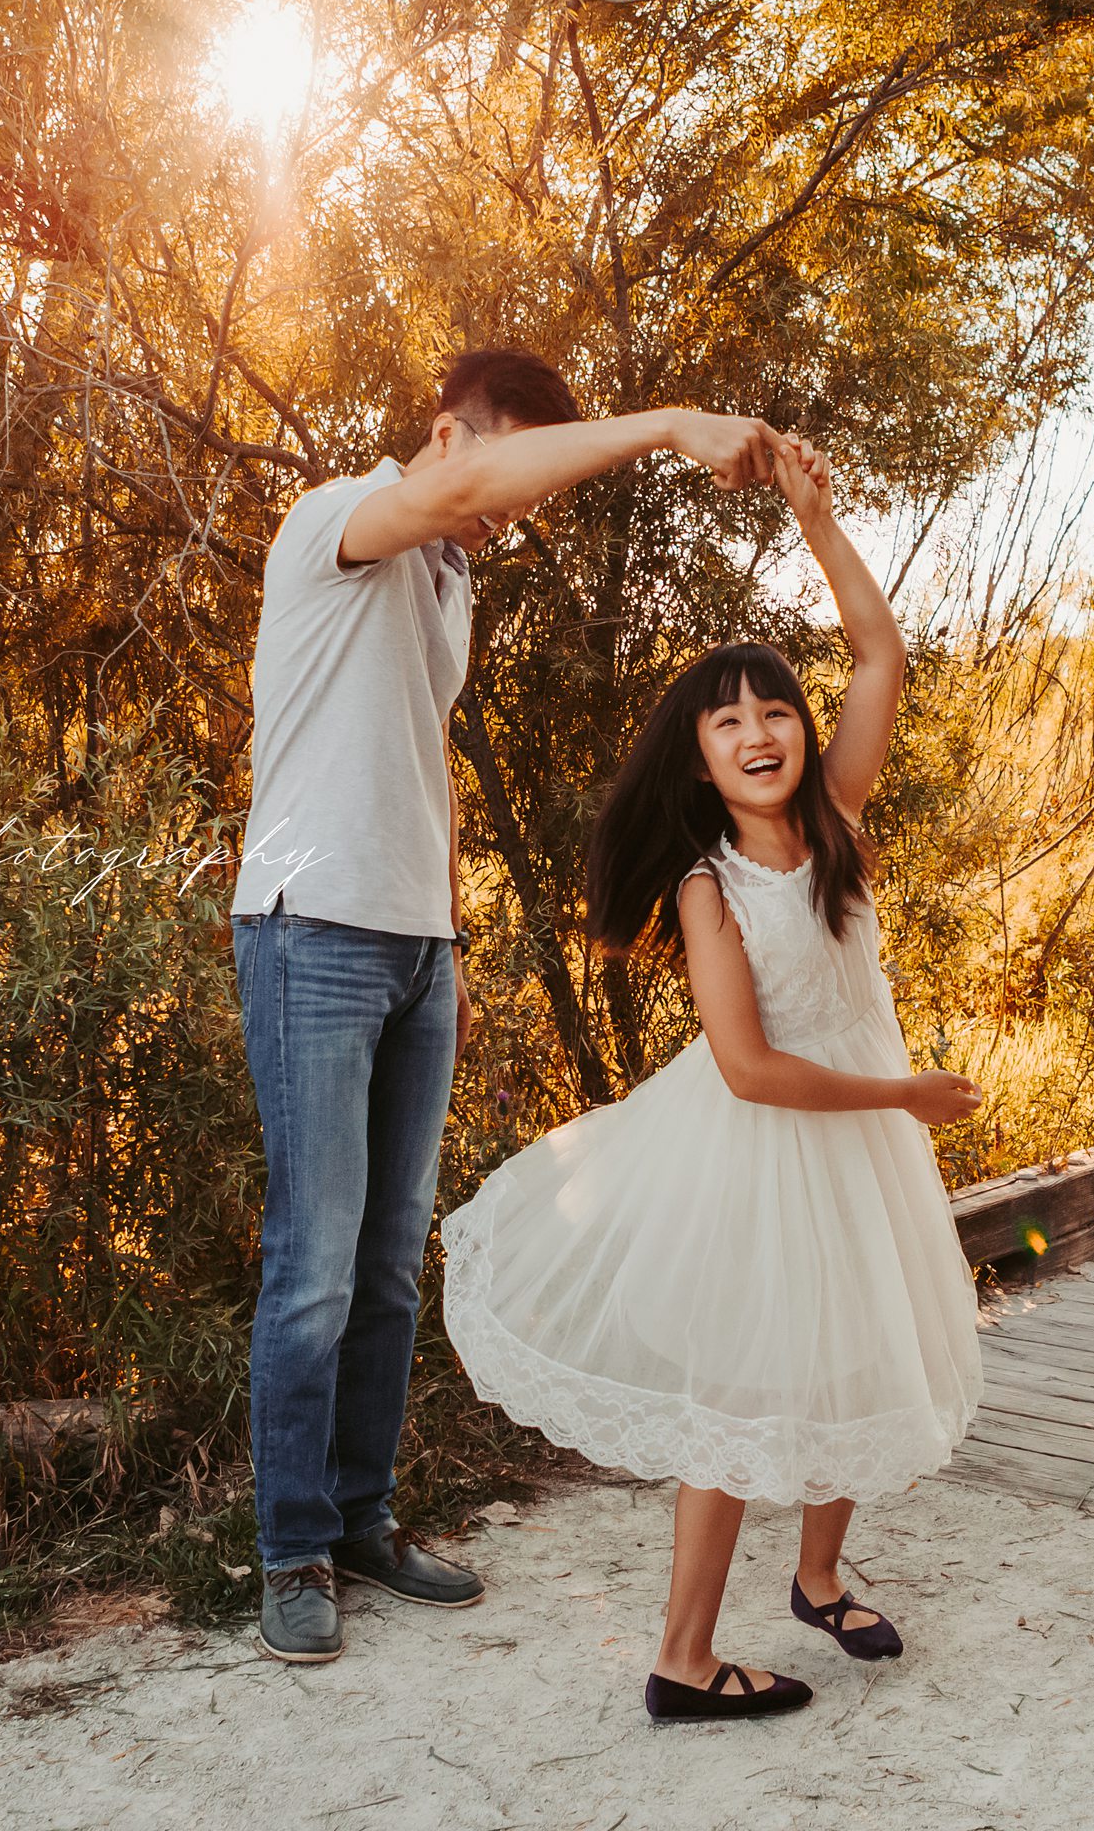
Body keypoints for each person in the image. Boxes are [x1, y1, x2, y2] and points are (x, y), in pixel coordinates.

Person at [231, 348, 788, 1666]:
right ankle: (290, 1549)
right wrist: (664, 426)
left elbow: (408, 760)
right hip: (309, 936)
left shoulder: (448, 576)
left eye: (516, 513)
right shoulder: (341, 518)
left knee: (384, 1264)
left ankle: (362, 1519)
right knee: (312, 1266)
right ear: (443, 436)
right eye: (497, 486)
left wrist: (448, 945)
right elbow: (470, 482)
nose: (504, 520)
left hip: (416, 949)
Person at [439, 433, 985, 1723]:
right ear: (698, 759)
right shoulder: (708, 884)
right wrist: (904, 1098)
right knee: (744, 1387)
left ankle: (816, 1577)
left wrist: (817, 522)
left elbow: (883, 656)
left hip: (855, 1129)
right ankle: (684, 1660)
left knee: (857, 1343)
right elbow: (745, 1070)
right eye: (727, 719)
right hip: (767, 1135)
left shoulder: (835, 822)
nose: (759, 730)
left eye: (774, 708)